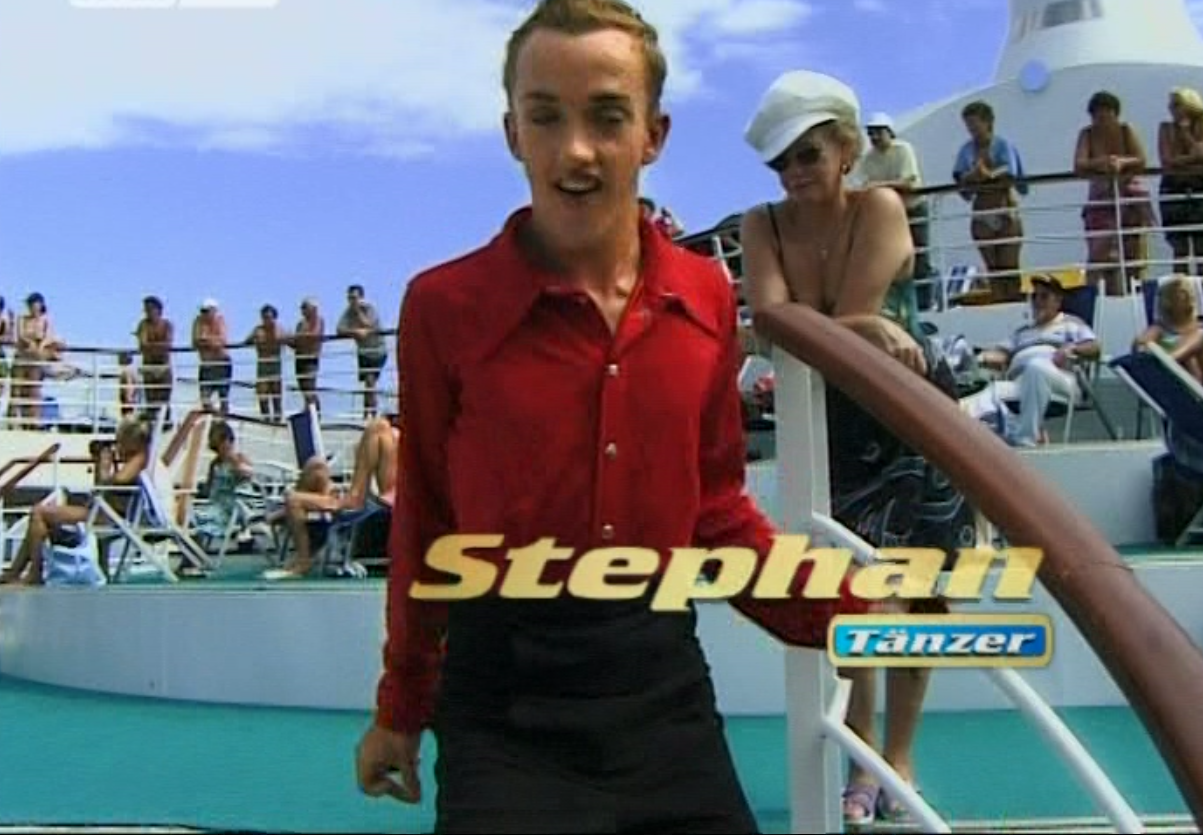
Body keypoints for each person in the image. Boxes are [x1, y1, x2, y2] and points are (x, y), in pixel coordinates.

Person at [353, 3, 876, 832]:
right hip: (501, 709)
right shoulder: (442, 307)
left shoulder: (704, 296)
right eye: (545, 117)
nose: (575, 151)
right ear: (512, 133)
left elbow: (714, 511)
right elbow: (425, 518)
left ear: (652, 135)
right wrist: (401, 706)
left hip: (661, 694)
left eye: (606, 116)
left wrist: (856, 616)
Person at [739, 70, 976, 826]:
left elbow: (808, 324)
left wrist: (821, 325)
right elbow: (784, 325)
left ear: (846, 149)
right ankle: (863, 757)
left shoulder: (880, 206)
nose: (794, 172)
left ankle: (896, 758)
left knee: (922, 594)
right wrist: (856, 328)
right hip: (831, 426)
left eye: (808, 154)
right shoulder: (760, 224)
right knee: (851, 593)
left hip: (910, 416)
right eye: (781, 161)